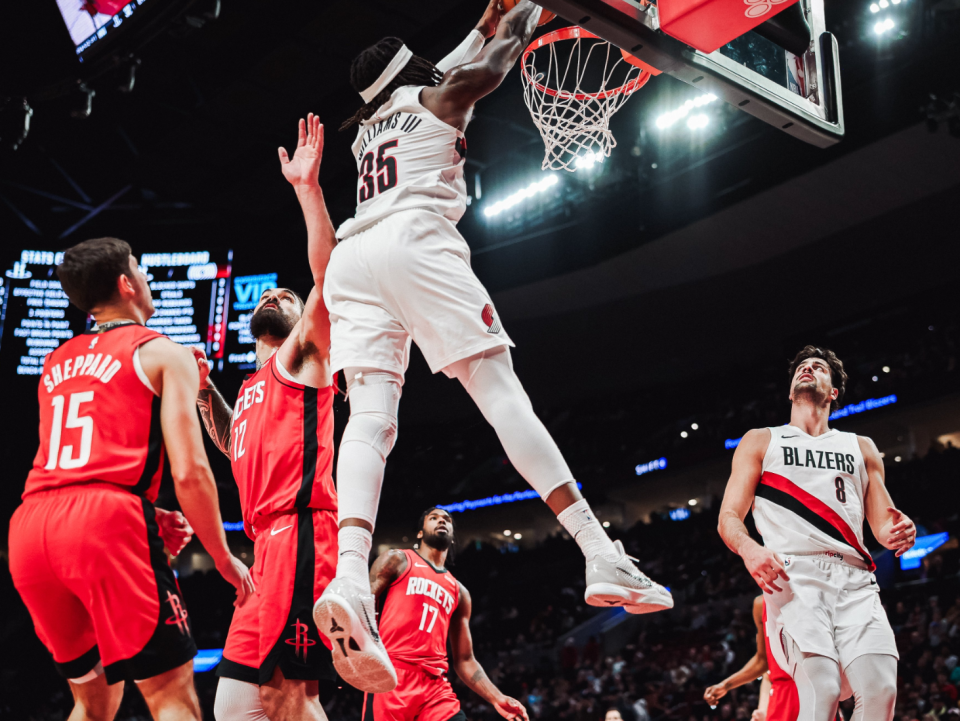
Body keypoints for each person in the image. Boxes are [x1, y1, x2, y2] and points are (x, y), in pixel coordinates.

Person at [313, 0, 672, 693]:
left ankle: (350, 575)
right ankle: (599, 551)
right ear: (412, 75)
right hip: (413, 239)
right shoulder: (437, 98)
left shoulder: (368, 133)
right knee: (500, 392)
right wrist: (527, 11)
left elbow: (450, 61)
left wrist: (483, 20)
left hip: (353, 261)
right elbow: (492, 61)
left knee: (370, 421)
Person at [8, 237, 254, 721]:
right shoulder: (163, 351)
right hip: (103, 525)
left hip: (30, 531)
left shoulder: (55, 362)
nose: (145, 277)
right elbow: (190, 471)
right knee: (171, 696)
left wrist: (148, 514)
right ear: (126, 283)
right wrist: (224, 558)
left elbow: (75, 464)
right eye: (140, 269)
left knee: (93, 702)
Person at [193, 115, 340, 721]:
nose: (273, 295)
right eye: (265, 295)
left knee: (282, 699)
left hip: (301, 535)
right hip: (266, 550)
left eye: (287, 296)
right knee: (244, 706)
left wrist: (308, 189)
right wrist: (205, 391)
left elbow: (327, 277)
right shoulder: (253, 387)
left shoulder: (304, 357)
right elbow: (234, 443)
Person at [718, 346, 916, 721]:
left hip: (856, 579)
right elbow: (728, 516)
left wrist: (900, 530)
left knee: (882, 692)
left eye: (819, 367)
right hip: (794, 577)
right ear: (790, 391)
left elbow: (883, 525)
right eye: (802, 367)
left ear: (834, 391)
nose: (807, 369)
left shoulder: (861, 446)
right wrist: (750, 549)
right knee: (822, 690)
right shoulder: (761, 440)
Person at [365, 507, 529, 721]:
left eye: (447, 519)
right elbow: (361, 607)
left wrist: (497, 698)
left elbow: (465, 660)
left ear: (452, 537)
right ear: (420, 533)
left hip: (435, 688)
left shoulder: (459, 592)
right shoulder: (397, 559)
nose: (441, 521)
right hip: (391, 676)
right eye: (433, 518)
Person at [704, 596, 800, 721]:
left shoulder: (809, 594)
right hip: (780, 696)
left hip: (809, 689)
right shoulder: (760, 604)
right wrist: (725, 685)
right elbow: (763, 660)